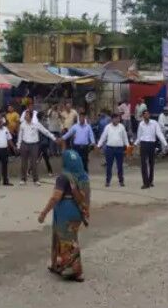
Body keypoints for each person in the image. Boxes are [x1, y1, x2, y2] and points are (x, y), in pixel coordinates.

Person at [37, 150, 90, 282]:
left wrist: (43, 213)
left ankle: (73, 270)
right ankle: (57, 264)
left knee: (66, 241)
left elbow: (56, 197)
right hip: (77, 212)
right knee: (70, 239)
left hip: (64, 211)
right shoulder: (83, 176)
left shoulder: (63, 177)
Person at [17, 110, 57, 186]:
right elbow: (20, 136)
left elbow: (45, 131)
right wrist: (18, 145)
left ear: (31, 116)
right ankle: (23, 179)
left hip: (34, 145)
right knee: (23, 163)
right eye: (25, 115)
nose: (25, 116)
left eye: (27, 115)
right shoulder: (22, 125)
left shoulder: (36, 124)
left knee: (34, 163)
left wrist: (54, 138)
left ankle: (36, 180)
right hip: (24, 144)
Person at [135, 109, 168, 189]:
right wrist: (135, 144)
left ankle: (150, 181)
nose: (147, 116)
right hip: (143, 144)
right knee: (143, 164)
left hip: (151, 144)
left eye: (148, 114)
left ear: (149, 115)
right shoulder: (141, 124)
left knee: (151, 163)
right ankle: (145, 183)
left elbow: (159, 134)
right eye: (145, 114)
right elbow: (139, 136)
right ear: (143, 116)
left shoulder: (154, 123)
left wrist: (165, 144)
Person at [97, 113, 129, 187]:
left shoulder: (122, 127)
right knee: (109, 166)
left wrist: (128, 147)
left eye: (118, 118)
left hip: (119, 149)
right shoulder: (108, 127)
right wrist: (99, 145)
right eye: (116, 118)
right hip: (110, 149)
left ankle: (121, 181)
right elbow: (103, 137)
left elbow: (125, 138)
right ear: (112, 119)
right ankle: (108, 181)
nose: (118, 120)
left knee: (120, 166)